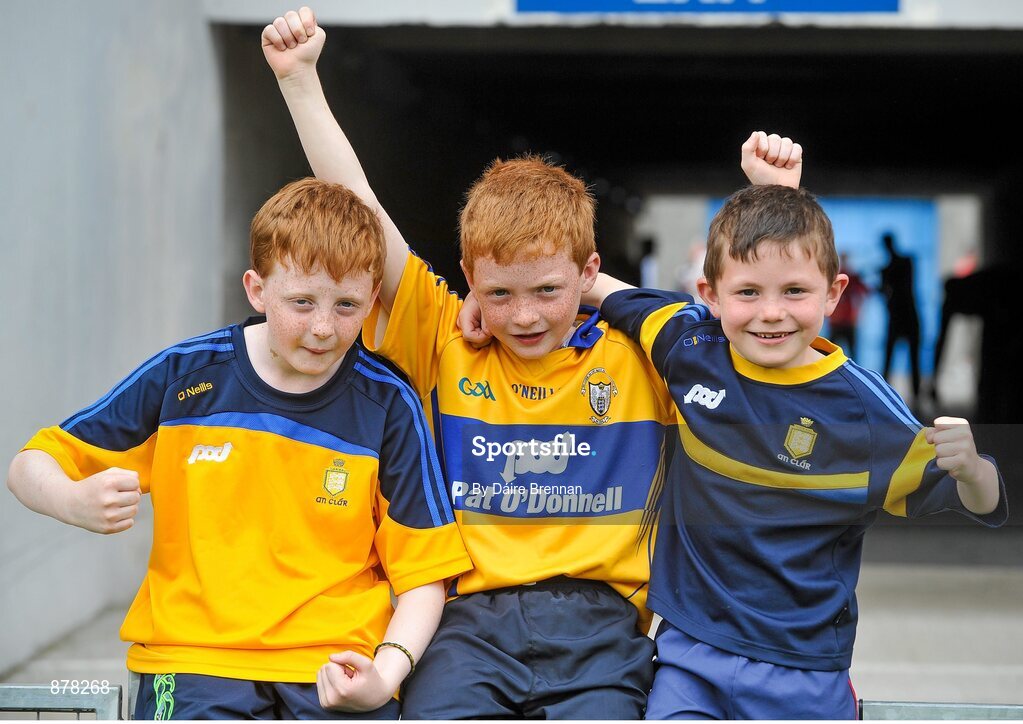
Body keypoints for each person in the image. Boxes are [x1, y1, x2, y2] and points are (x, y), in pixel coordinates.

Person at [261, 8, 801, 718]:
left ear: (589, 271)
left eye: (548, 290)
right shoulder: (442, 339)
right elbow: (363, 210)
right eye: (499, 293)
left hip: (602, 630)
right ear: (466, 278)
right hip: (466, 628)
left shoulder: (641, 354)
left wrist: (773, 201)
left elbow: (756, 341)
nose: (521, 316)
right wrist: (299, 81)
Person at [6, 178, 472, 720]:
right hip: (192, 661)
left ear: (373, 298)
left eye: (347, 305)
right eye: (302, 302)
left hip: (335, 666)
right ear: (257, 289)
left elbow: (424, 578)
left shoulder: (389, 404)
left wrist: (385, 674)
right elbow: (28, 466)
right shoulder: (184, 379)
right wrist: (71, 500)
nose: (324, 327)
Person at [584, 179, 1007, 719]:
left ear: (833, 293)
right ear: (709, 294)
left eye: (795, 292)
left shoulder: (866, 410)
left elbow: (983, 503)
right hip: (688, 652)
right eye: (747, 293)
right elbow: (596, 288)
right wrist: (489, 296)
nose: (771, 312)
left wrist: (971, 467)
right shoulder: (689, 347)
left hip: (805, 668)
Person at [880, 231, 922, 401]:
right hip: (906, 315)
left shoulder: (895, 266)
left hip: (901, 315)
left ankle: (883, 392)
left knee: (893, 357)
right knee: (910, 357)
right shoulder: (904, 262)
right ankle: (915, 394)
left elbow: (887, 291)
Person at [828, 252, 870, 359]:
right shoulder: (837, 277)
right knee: (829, 352)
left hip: (848, 321)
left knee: (852, 352)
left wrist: (858, 312)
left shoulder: (852, 277)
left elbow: (865, 292)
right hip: (837, 321)